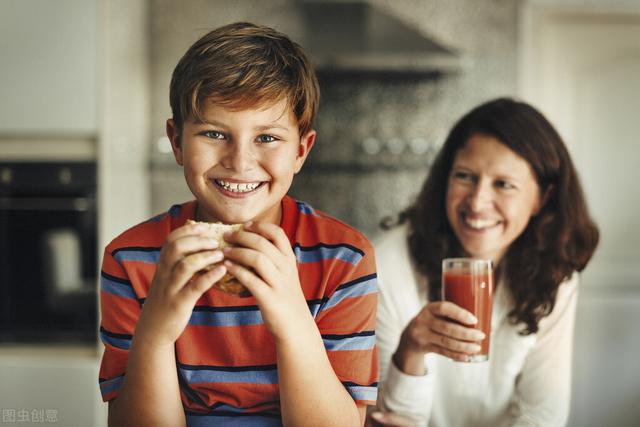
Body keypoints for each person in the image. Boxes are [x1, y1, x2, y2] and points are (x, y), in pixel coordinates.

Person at [98, 22, 378, 426]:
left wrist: (292, 320)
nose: (240, 161)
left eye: (267, 138)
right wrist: (155, 332)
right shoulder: (132, 259)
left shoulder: (344, 260)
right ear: (177, 142)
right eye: (214, 133)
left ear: (301, 150)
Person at [368, 98, 599, 427]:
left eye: (503, 184)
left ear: (541, 199)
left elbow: (542, 415)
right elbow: (393, 420)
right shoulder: (386, 266)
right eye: (464, 176)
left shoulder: (554, 275)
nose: (477, 202)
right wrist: (411, 350)